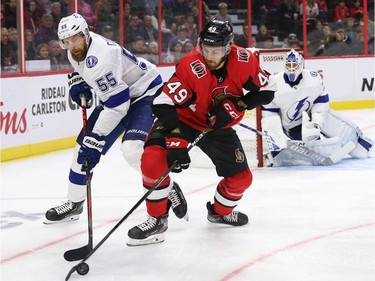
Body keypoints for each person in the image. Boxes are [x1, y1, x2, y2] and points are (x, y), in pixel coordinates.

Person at [126, 18, 277, 246]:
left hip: (217, 126)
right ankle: (157, 219)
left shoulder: (244, 59)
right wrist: (176, 135)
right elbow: (162, 102)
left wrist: (239, 105)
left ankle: (219, 212)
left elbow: (268, 89)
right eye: (206, 49)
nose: (209, 56)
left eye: (216, 51)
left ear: (228, 48)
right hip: (182, 119)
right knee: (151, 160)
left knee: (241, 179)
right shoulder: (190, 65)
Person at [44, 13, 187, 224]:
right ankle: (74, 203)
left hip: (144, 94)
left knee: (132, 151)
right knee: (80, 151)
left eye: (76, 39)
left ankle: (166, 185)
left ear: (85, 33)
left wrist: (96, 139)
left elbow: (118, 105)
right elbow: (86, 73)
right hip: (116, 96)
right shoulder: (75, 50)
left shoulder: (102, 57)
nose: (72, 45)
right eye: (67, 41)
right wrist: (77, 81)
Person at [261, 49, 373, 166]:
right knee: (311, 149)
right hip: (292, 125)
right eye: (289, 65)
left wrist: (316, 122)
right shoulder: (274, 83)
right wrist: (276, 137)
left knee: (346, 134)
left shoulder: (313, 78)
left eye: (295, 65)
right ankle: (276, 156)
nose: (292, 68)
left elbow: (321, 101)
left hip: (314, 114)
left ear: (301, 65)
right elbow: (269, 114)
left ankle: (364, 146)